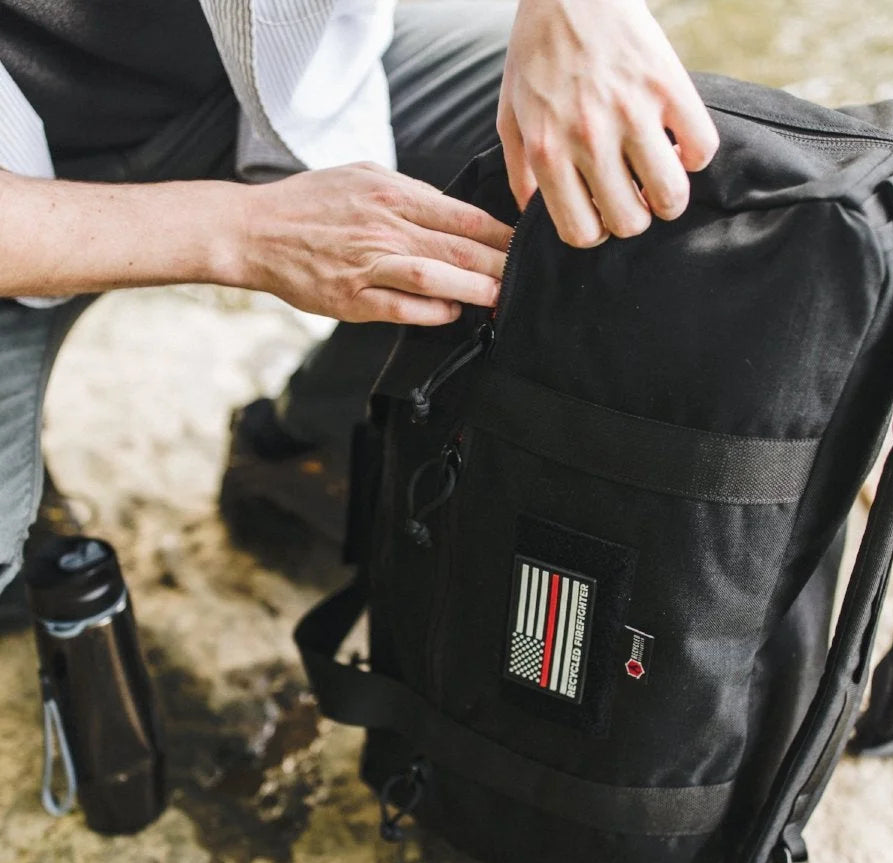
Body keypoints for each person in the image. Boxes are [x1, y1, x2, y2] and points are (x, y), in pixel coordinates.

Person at [0, 0, 719, 601]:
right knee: (12, 568)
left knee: (623, 152)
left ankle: (306, 450)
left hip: (259, 82)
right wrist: (248, 232)